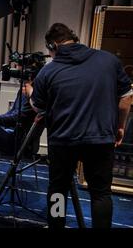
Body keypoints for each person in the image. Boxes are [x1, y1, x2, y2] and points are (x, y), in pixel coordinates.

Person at [28, 23, 133, 228]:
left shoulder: (48, 71)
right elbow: (126, 99)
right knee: (101, 193)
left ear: (53, 45)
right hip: (101, 137)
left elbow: (37, 106)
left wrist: (30, 91)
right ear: (74, 39)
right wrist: (120, 127)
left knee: (58, 190)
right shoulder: (108, 60)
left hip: (63, 140)